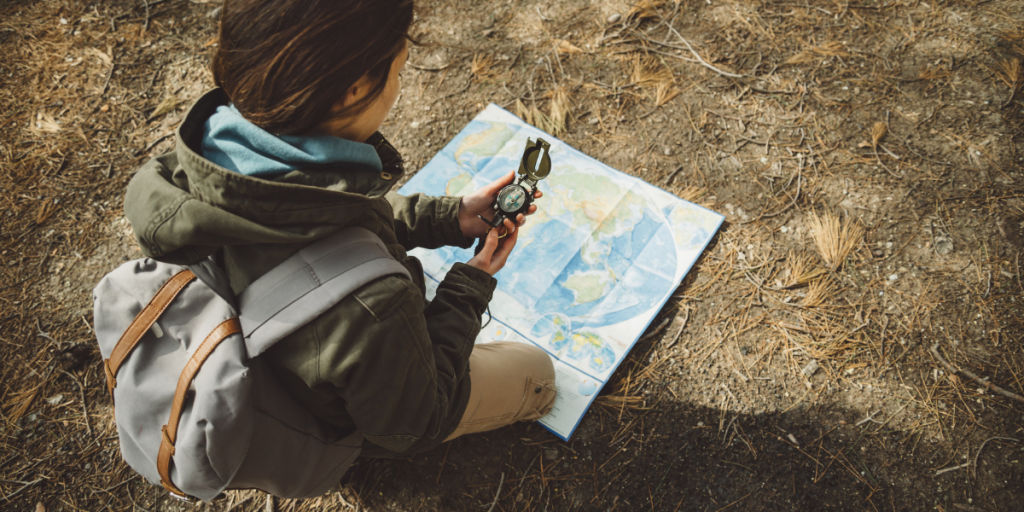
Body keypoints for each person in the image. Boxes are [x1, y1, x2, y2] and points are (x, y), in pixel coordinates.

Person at [123, 0, 556, 459]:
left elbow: (324, 215)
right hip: (348, 414)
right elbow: (414, 424)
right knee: (538, 371)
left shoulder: (219, 153)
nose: (398, 84)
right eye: (398, 70)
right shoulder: (373, 307)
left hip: (275, 355)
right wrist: (468, 288)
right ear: (353, 90)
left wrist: (448, 217)